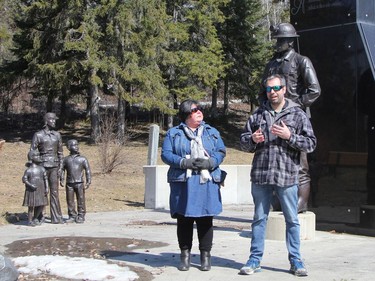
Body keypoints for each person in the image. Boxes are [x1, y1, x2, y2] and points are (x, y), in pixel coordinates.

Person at [240, 74, 317, 276]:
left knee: (292, 219)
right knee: (259, 219)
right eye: (269, 89)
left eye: (276, 88)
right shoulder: (257, 115)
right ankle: (254, 260)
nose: (272, 92)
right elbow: (243, 142)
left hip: (286, 176)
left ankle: (296, 261)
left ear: (284, 89)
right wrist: (253, 140)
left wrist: (289, 136)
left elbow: (311, 143)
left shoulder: (297, 115)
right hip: (261, 176)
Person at [259, 22, 321, 213]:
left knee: (300, 165)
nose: (277, 43)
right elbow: (262, 91)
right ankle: (278, 201)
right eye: (277, 39)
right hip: (272, 118)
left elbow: (314, 90)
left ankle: (300, 203)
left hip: (295, 118)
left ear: (290, 42)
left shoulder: (302, 61)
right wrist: (264, 109)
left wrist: (294, 106)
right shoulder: (271, 65)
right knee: (275, 162)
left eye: (281, 40)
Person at [161, 99, 226, 272]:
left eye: (200, 109)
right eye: (195, 110)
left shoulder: (211, 131)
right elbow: (166, 154)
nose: (199, 112)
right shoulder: (174, 133)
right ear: (186, 114)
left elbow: (221, 151)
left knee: (206, 219)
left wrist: (211, 162)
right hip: (184, 181)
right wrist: (183, 162)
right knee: (184, 220)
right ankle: (185, 255)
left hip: (207, 181)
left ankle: (205, 255)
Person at [30, 112, 64, 224]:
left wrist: (61, 168)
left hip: (54, 166)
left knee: (54, 192)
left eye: (55, 119)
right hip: (42, 167)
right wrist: (35, 165)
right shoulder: (38, 135)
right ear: (46, 121)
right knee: (41, 192)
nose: (54, 121)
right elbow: (32, 152)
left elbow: (60, 153)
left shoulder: (57, 135)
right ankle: (38, 217)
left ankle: (56, 217)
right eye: (52, 119)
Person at [60, 139, 92, 223]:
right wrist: (61, 178)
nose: (76, 147)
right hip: (69, 183)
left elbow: (87, 170)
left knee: (81, 199)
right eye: (74, 145)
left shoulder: (82, 159)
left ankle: (81, 215)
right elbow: (62, 170)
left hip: (79, 182)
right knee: (70, 200)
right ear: (68, 147)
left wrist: (88, 181)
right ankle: (72, 215)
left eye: (77, 145)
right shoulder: (65, 159)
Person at [22, 150, 49, 226]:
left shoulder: (42, 169)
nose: (39, 157)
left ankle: (35, 218)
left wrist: (47, 188)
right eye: (37, 156)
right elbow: (24, 179)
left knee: (41, 204)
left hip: (41, 188)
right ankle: (30, 221)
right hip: (32, 190)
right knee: (31, 206)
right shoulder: (29, 170)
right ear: (32, 158)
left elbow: (45, 179)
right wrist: (30, 185)